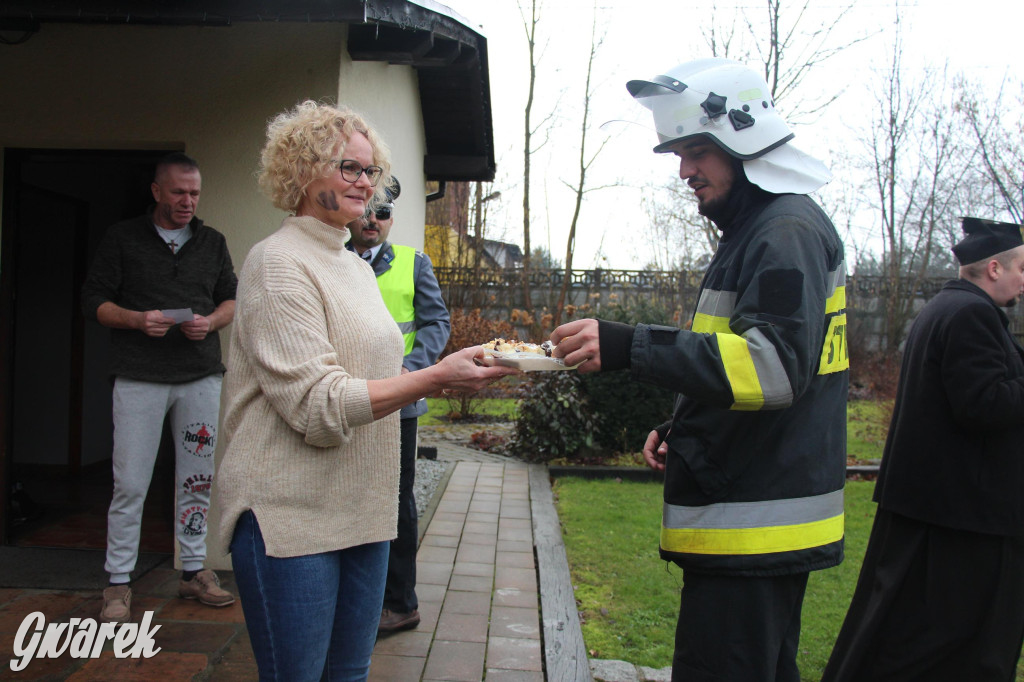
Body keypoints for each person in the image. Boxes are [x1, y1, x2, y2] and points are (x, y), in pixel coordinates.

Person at [551, 58, 848, 681]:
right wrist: (685, 424)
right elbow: (741, 357)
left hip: (754, 530)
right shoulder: (759, 229)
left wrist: (632, 345)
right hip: (750, 519)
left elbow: (772, 371)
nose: (684, 171)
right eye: (679, 153)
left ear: (741, 141)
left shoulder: (784, 231)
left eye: (695, 152)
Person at [215, 100, 517, 682]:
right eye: (348, 168)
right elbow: (316, 405)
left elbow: (375, 368)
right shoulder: (276, 264)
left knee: (349, 676)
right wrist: (435, 378)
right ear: (303, 172)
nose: (365, 182)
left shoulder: (353, 265)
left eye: (370, 169)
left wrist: (445, 365)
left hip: (365, 513)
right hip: (291, 518)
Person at [822, 218, 1024, 682]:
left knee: (900, 633)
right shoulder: (969, 315)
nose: (1023, 279)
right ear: (994, 268)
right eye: (1021, 268)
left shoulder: (947, 308)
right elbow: (982, 403)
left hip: (937, 512)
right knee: (941, 646)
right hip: (961, 524)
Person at [81, 152, 239, 623]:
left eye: (194, 193)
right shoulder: (122, 238)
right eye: (178, 192)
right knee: (130, 483)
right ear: (156, 191)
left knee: (197, 479)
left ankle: (193, 572)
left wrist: (210, 323)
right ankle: (117, 584)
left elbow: (231, 298)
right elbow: (93, 300)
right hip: (138, 378)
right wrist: (135, 320)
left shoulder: (212, 242)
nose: (188, 201)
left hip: (200, 378)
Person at [345, 177, 451, 633]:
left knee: (395, 502)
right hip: (346, 399)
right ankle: (355, 595)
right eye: (366, 212)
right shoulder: (332, 261)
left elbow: (435, 322)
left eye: (382, 214)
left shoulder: (413, 262)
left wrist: (414, 369)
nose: (373, 221)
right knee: (347, 495)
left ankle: (400, 602)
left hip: (399, 406)